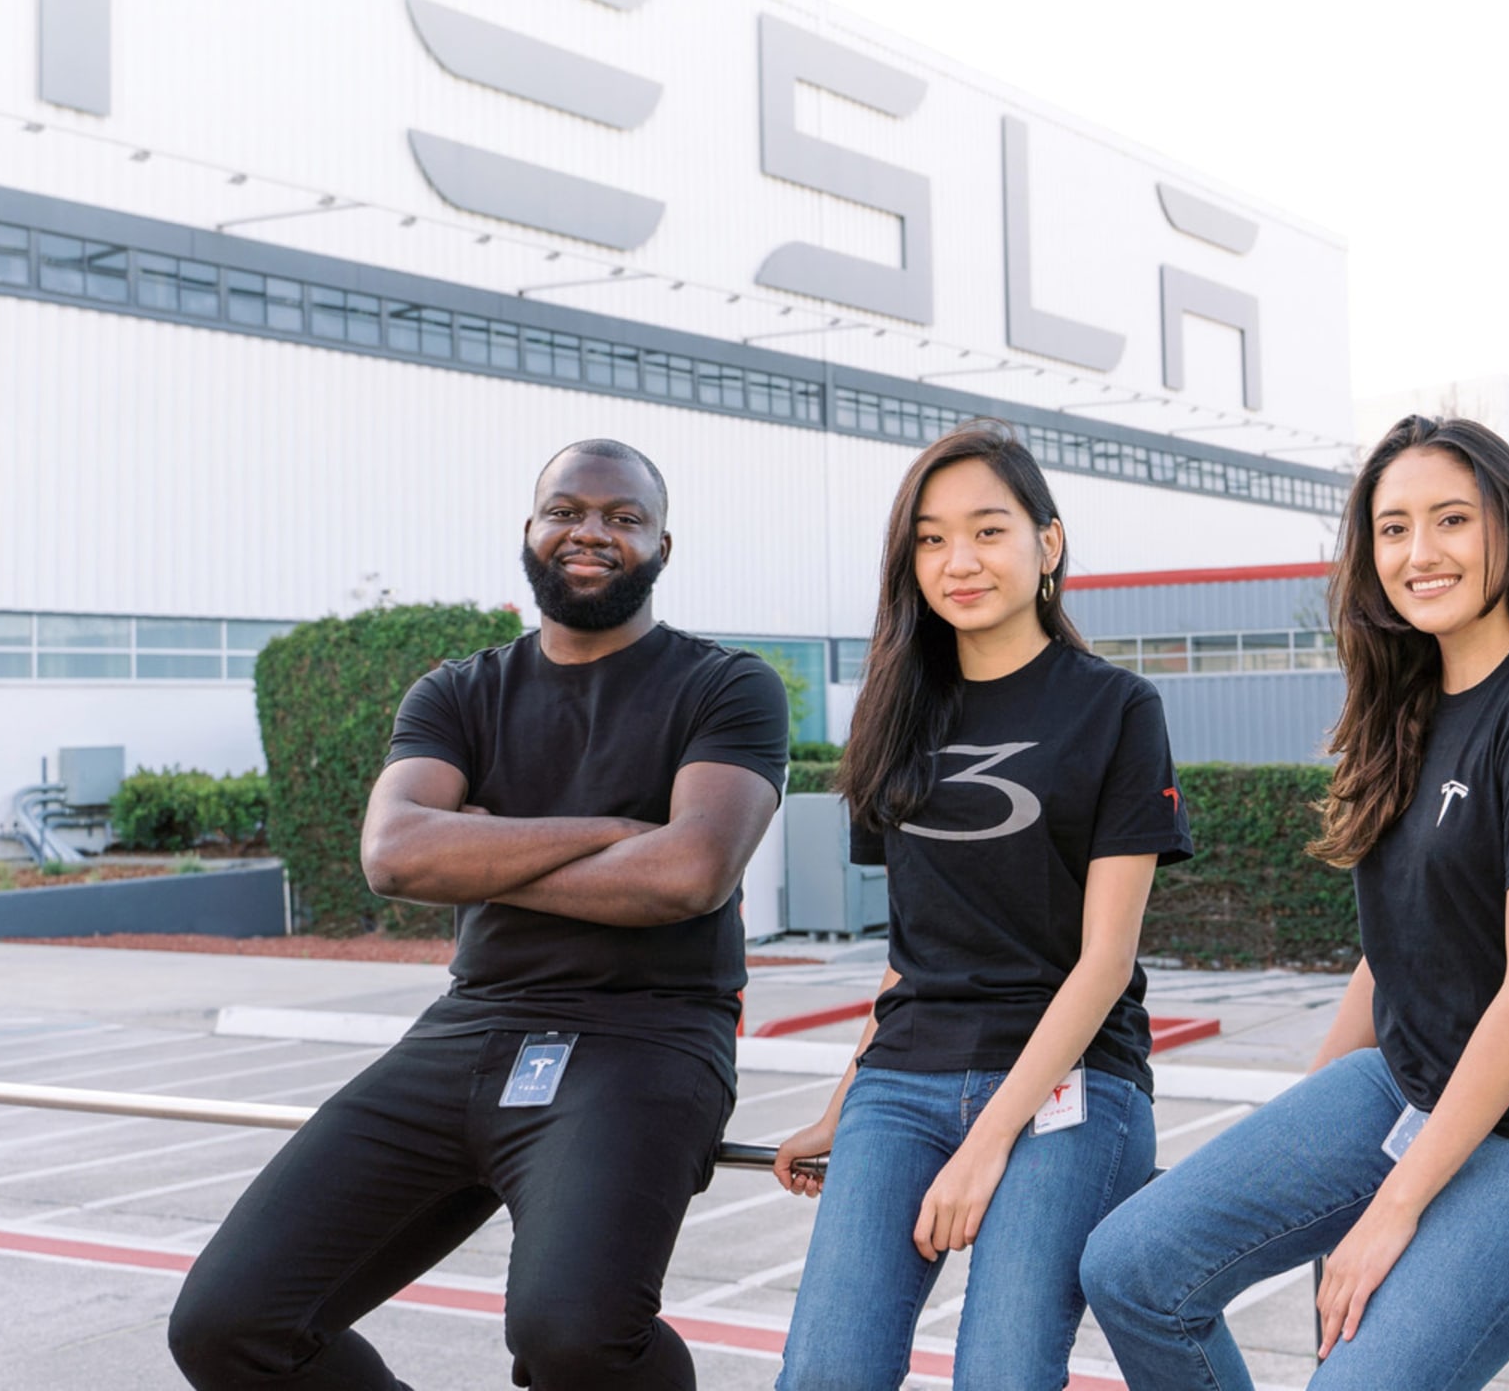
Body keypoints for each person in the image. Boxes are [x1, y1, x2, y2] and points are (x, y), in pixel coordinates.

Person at [169, 439, 788, 1391]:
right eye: (567, 510)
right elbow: (393, 854)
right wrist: (618, 831)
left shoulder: (723, 684)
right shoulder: (458, 691)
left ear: (665, 546)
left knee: (573, 1336)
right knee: (229, 1325)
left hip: (648, 1034)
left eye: (624, 518)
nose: (591, 532)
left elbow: (687, 875)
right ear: (530, 532)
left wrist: (484, 852)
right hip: (470, 1024)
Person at [1081, 415, 1509, 1391]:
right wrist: (1310, 1115)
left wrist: (1388, 1204)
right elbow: (1394, 946)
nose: (1417, 551)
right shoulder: (1405, 703)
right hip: (1409, 1081)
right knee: (1132, 1268)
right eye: (1392, 528)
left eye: (1449, 520)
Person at [771, 420, 1190, 1391]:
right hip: (903, 1083)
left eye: (987, 530)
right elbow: (907, 952)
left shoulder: (1117, 708)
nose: (956, 559)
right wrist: (840, 1105)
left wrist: (985, 1141)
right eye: (928, 537)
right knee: (825, 1373)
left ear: (1047, 544)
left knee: (1000, 1373)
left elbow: (1105, 962)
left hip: (1069, 1088)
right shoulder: (892, 711)